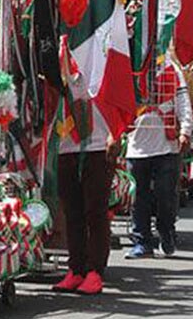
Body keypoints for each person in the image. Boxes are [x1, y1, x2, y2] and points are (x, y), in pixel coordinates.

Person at [125, 57, 193, 259]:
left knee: (166, 196)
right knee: (138, 198)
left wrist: (186, 130)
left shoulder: (171, 68)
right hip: (136, 147)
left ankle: (166, 231)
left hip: (166, 146)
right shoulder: (129, 64)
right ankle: (142, 242)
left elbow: (183, 100)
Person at [51, 97, 112, 295]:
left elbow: (118, 97)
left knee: (96, 211)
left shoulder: (101, 75)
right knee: (72, 212)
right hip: (65, 145)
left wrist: (115, 133)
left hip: (98, 146)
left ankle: (95, 270)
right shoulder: (58, 77)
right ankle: (76, 269)